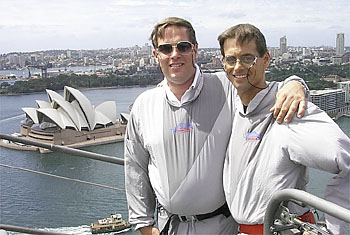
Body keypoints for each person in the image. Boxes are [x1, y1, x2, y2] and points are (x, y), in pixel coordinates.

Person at [124, 17, 307, 235]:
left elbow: (263, 88)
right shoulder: (144, 105)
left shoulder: (226, 86)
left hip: (223, 226)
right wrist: (145, 226)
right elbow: (135, 168)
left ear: (195, 50)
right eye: (165, 48)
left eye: (183, 46)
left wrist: (296, 84)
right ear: (156, 55)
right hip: (169, 227)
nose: (175, 54)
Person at [218, 23, 350, 235]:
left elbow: (347, 159)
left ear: (266, 59)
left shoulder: (288, 109)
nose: (238, 67)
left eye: (248, 58)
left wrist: (330, 228)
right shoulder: (233, 105)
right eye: (231, 59)